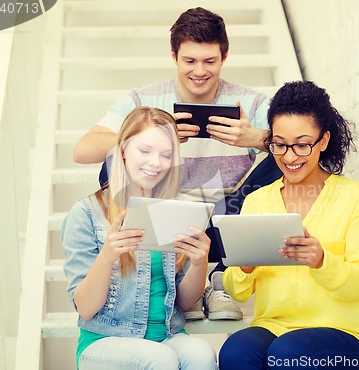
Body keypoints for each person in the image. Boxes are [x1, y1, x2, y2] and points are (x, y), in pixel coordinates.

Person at [73, 7, 282, 321]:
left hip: (226, 216)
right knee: (116, 154)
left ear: (224, 57)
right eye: (190, 61)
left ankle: (220, 279)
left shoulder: (250, 102)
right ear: (174, 56)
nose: (200, 71)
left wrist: (256, 139)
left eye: (210, 61)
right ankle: (164, 278)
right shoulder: (146, 100)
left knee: (284, 157)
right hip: (162, 215)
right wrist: (155, 135)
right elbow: (83, 150)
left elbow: (304, 146)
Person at [219, 81, 359, 370]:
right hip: (274, 327)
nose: (289, 157)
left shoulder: (356, 197)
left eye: (302, 145)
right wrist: (245, 268)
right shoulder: (256, 201)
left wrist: (321, 261)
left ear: (324, 140)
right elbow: (237, 292)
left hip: (344, 332)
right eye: (279, 144)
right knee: (235, 351)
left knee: (288, 353)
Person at [62, 107, 218, 370]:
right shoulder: (86, 214)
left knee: (201, 353)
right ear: (123, 149)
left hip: (167, 336)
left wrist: (200, 262)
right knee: (160, 359)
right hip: (105, 341)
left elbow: (184, 301)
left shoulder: (175, 210)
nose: (156, 163)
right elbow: (85, 309)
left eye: (166, 155)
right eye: (144, 151)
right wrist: (107, 257)